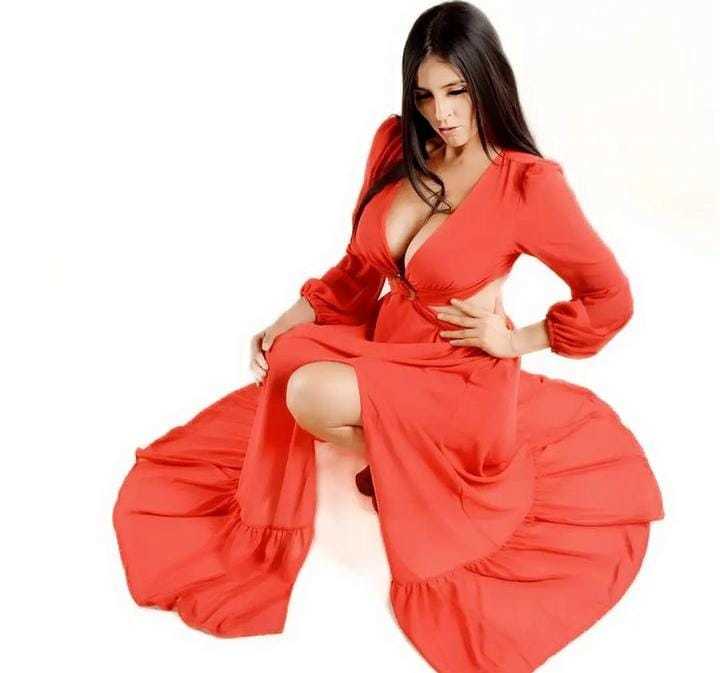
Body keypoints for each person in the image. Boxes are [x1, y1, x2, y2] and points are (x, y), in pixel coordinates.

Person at [113, 3, 664, 671]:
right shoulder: (396, 146)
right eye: (425, 94)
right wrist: (288, 318)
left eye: (457, 91)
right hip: (390, 346)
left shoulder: (528, 184)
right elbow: (357, 269)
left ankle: (434, 471)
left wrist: (516, 339)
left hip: (460, 377)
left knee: (308, 392)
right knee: (289, 358)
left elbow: (610, 296)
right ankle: (411, 465)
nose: (442, 113)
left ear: (489, 80)